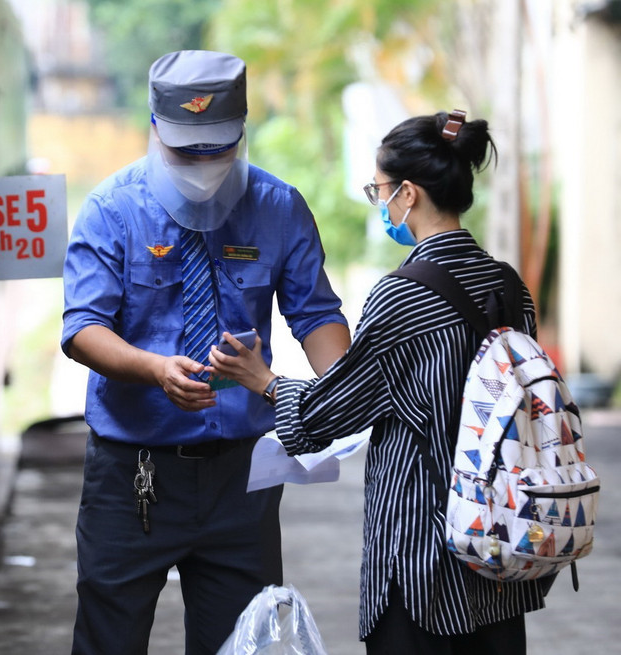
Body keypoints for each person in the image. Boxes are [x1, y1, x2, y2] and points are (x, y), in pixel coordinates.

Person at [208, 110, 549, 654]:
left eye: (380, 190)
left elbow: (328, 415)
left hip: (422, 555)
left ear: (409, 194)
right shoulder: (508, 284)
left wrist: (264, 380)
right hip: (500, 538)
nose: (381, 203)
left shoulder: (402, 295)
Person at [60, 49, 351, 654]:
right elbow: (83, 327)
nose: (201, 164)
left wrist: (346, 392)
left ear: (241, 132)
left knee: (243, 643)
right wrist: (154, 368)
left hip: (241, 479)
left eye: (216, 149)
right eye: (185, 150)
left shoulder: (279, 209)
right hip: (132, 474)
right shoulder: (113, 210)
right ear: (155, 129)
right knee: (107, 639)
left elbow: (317, 316)